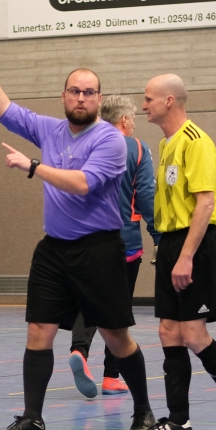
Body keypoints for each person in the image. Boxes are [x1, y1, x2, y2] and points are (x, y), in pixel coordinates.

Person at [0, 36, 155, 430]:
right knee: (39, 331)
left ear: (98, 98)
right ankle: (32, 419)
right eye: (75, 91)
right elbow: (2, 107)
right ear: (64, 96)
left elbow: (83, 183)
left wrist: (33, 166)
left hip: (98, 249)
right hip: (54, 250)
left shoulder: (110, 140)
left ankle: (143, 411)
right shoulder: (50, 130)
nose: (81, 98)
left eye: (89, 92)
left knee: (115, 336)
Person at [134, 74, 216, 430]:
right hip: (171, 242)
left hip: (195, 243)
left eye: (148, 99)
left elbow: (205, 203)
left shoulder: (195, 142)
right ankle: (179, 422)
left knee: (192, 333)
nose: (143, 105)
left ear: (169, 101)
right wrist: (167, 250)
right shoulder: (166, 144)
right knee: (168, 331)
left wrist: (186, 256)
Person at [69, 96, 161, 398]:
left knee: (88, 300)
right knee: (117, 309)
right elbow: (145, 196)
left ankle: (79, 350)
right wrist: (158, 236)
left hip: (84, 238)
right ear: (124, 120)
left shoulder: (85, 145)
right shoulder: (136, 148)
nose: (134, 124)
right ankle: (111, 376)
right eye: (133, 119)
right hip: (125, 242)